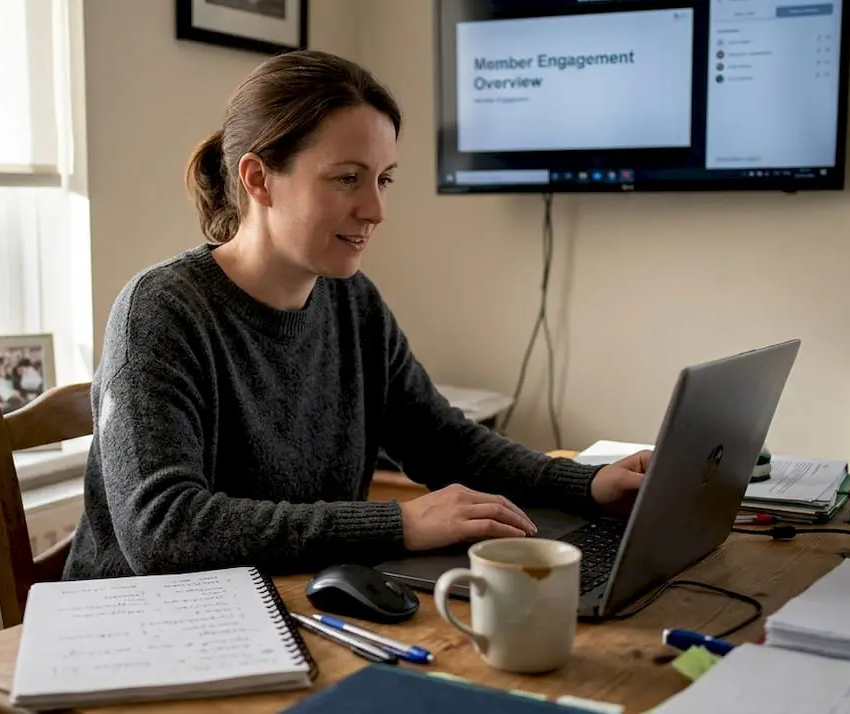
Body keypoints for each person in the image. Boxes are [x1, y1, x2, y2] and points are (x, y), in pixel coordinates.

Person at [62, 50, 648, 580]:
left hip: (293, 602)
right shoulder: (161, 312)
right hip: (144, 631)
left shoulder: (351, 300)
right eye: (347, 179)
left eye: (384, 179)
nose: (375, 210)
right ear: (258, 178)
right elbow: (162, 532)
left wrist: (588, 483)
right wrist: (401, 524)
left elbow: (444, 442)